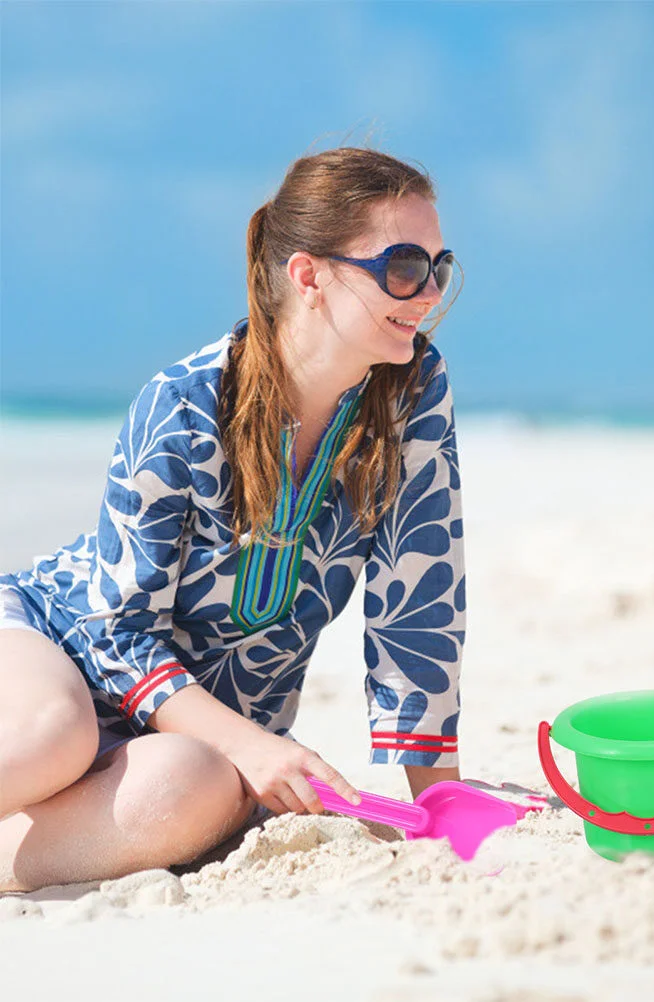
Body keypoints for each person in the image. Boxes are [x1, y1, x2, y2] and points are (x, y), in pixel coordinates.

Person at [0, 148, 466, 892]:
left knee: (193, 790)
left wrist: (437, 809)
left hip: (194, 735)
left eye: (439, 269)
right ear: (309, 276)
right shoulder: (182, 404)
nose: (428, 294)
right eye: (405, 266)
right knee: (53, 738)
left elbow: (420, 608)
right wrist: (256, 747)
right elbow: (116, 634)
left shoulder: (414, 393)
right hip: (56, 643)